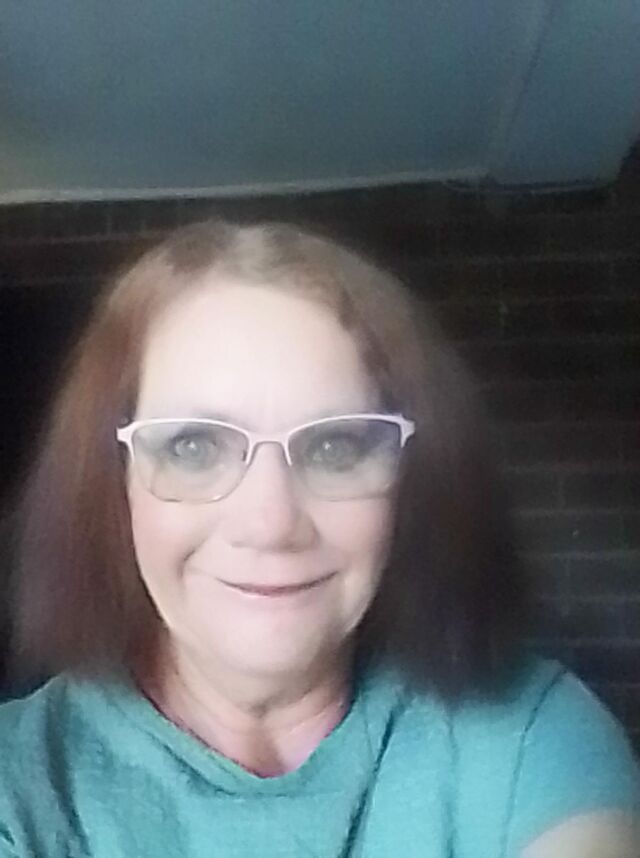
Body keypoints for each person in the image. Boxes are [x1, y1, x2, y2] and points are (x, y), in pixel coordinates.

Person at [0, 219, 637, 857]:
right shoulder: (18, 784)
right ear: (113, 484)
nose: (271, 524)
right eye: (194, 447)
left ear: (412, 482)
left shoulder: (529, 735)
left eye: (336, 447)